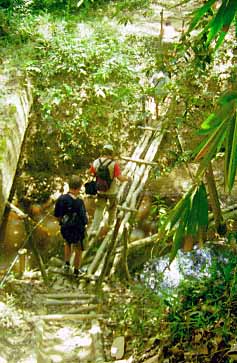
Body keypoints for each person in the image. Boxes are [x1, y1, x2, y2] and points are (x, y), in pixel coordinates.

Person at [88, 144, 131, 237]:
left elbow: (90, 172)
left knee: (99, 209)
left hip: (100, 190)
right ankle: (111, 225)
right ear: (111, 153)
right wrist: (127, 178)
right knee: (112, 208)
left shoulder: (96, 162)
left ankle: (94, 230)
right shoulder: (113, 164)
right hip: (112, 191)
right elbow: (120, 178)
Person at [54, 175, 88, 276]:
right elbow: (84, 220)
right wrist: (87, 219)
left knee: (67, 243)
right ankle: (77, 271)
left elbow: (57, 216)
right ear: (79, 188)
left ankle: (67, 264)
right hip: (77, 231)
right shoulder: (79, 202)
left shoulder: (61, 199)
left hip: (65, 229)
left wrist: (63, 222)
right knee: (79, 249)